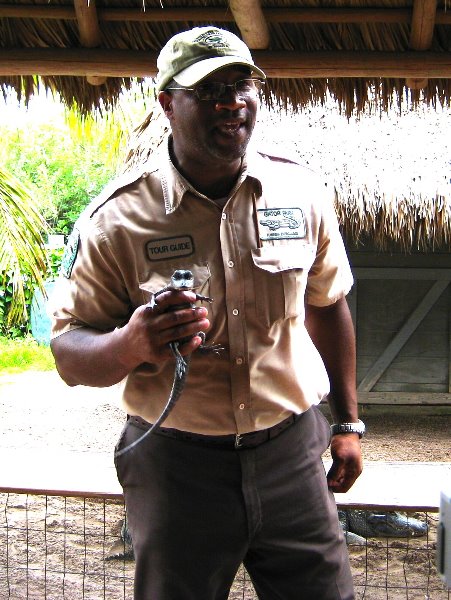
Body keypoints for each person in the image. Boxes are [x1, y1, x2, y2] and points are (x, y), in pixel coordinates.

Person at [50, 26, 364, 600]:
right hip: (177, 466)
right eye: (209, 88)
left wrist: (347, 425)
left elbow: (328, 304)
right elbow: (69, 354)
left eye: (242, 84)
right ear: (167, 102)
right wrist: (132, 343)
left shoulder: (301, 191)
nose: (232, 101)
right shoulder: (116, 220)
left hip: (291, 452)